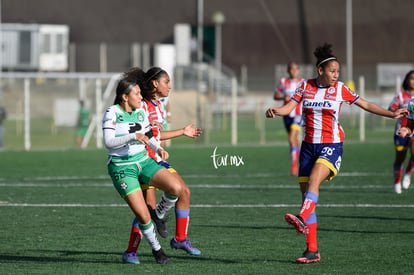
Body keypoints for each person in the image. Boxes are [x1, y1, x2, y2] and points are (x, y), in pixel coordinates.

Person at [265, 43, 407, 264]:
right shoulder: (304, 86)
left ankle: (301, 218)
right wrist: (275, 111)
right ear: (320, 70)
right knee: (307, 198)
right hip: (308, 147)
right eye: (332, 71)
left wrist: (391, 114)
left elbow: (366, 104)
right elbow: (289, 107)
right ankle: (312, 251)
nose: (335, 75)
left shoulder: (340, 89)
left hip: (331, 145)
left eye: (338, 72)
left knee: (314, 181)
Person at [103, 73, 187, 265]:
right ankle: (157, 250)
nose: (141, 97)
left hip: (145, 161)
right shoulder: (112, 113)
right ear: (125, 97)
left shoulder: (141, 111)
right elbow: (109, 143)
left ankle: (159, 214)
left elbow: (146, 136)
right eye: (138, 94)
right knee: (142, 215)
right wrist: (133, 136)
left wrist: (158, 148)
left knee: (176, 189)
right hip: (122, 168)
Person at [122, 67, 202, 260]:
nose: (170, 86)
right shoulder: (142, 106)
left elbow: (158, 134)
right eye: (166, 82)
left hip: (157, 159)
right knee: (145, 211)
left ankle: (180, 238)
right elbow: (150, 134)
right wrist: (181, 131)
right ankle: (131, 251)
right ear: (155, 84)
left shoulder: (159, 104)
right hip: (143, 161)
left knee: (184, 192)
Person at [273, 62, 304, 175]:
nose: (294, 71)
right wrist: (282, 97)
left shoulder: (302, 83)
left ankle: (294, 165)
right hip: (286, 115)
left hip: (298, 114)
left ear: (298, 70)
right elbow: (275, 95)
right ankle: (302, 159)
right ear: (288, 71)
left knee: (292, 138)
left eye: (296, 69)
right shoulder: (283, 82)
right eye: (292, 69)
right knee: (294, 141)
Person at [388, 70, 414, 193]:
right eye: (412, 78)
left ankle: (408, 173)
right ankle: (396, 182)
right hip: (401, 131)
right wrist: (399, 111)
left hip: (412, 132)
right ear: (407, 80)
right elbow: (391, 109)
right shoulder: (401, 96)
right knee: (400, 158)